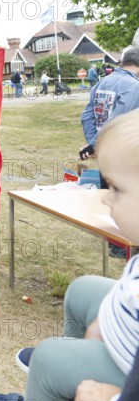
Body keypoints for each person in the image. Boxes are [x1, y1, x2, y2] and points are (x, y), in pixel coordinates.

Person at [0, 108, 139, 401]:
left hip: (127, 378)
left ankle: (50, 383)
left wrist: (115, 399)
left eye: (116, 188)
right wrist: (108, 316)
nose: (106, 197)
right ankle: (60, 390)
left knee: (49, 358)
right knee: (82, 289)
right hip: (125, 340)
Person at [79, 46, 139, 258]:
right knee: (125, 195)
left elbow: (86, 116)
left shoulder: (102, 83)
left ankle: (115, 241)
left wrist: (94, 144)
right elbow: (118, 120)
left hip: (106, 149)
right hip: (125, 151)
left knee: (110, 193)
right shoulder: (133, 86)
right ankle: (122, 244)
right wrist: (96, 145)